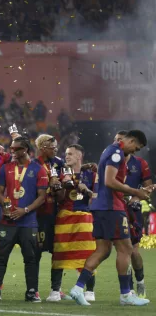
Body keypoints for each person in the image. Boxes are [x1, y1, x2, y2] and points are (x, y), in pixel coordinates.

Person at [69, 130, 151, 306]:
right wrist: (136, 191)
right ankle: (125, 295)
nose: (136, 150)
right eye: (136, 147)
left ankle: (78, 288)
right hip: (111, 208)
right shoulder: (116, 152)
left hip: (103, 206)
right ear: (131, 140)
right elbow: (110, 181)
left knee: (103, 251)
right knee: (126, 249)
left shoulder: (110, 150)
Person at [0, 136, 48, 303]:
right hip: (8, 221)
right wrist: (5, 207)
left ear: (26, 150)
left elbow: (42, 197)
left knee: (30, 258)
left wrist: (25, 210)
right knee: (1, 256)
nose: (12, 152)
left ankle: (31, 291)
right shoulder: (5, 168)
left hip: (28, 222)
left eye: (16, 149)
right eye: (11, 149)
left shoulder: (38, 169)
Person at [48, 144, 97, 302]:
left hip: (84, 218)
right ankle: (55, 291)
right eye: (66, 153)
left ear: (79, 156)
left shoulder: (92, 173)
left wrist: (86, 191)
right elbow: (59, 198)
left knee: (87, 254)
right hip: (65, 218)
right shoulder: (60, 174)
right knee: (59, 254)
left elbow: (97, 195)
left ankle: (89, 291)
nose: (67, 156)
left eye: (70, 154)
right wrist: (59, 186)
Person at [114, 130, 153, 298]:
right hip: (114, 209)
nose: (117, 143)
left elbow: (149, 186)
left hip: (132, 211)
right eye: (115, 140)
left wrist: (136, 197)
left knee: (133, 251)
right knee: (121, 251)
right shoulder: (110, 160)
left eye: (120, 140)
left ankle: (140, 281)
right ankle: (127, 290)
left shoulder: (140, 163)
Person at [33, 134, 65, 296]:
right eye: (53, 148)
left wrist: (58, 188)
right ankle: (34, 289)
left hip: (56, 214)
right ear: (43, 148)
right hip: (38, 215)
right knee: (36, 253)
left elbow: (64, 190)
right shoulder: (33, 165)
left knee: (58, 252)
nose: (55, 150)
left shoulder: (59, 163)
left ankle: (56, 289)